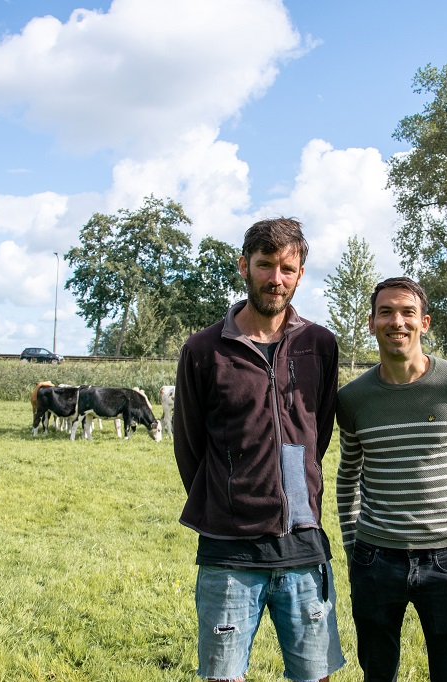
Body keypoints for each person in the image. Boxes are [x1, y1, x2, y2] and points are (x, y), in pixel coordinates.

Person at [173, 217, 344, 682]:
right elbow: (189, 444)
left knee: (316, 675)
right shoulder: (204, 350)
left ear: (300, 274)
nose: (276, 278)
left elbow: (318, 434)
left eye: (287, 268)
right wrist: (230, 495)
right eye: (265, 265)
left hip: (304, 544)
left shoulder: (320, 345)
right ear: (244, 267)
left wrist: (294, 487)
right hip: (229, 553)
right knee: (223, 676)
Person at [335, 276, 447, 682]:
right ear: (371, 322)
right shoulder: (353, 398)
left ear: (424, 322)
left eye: (407, 312)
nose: (397, 321)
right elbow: (348, 477)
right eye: (386, 312)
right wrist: (351, 548)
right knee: (378, 672)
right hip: (375, 557)